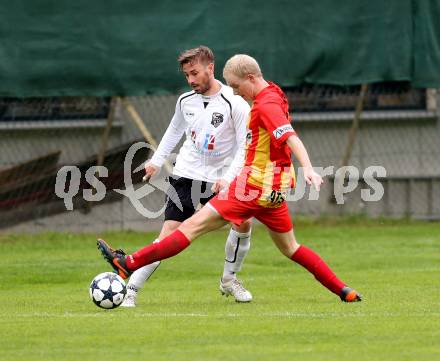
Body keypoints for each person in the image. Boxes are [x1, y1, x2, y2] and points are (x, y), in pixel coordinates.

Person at [98, 54, 362, 303]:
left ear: (250, 77)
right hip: (276, 189)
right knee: (291, 247)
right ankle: (343, 290)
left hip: (251, 187)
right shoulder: (275, 93)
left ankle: (127, 264)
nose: (235, 91)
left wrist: (310, 169)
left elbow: (290, 137)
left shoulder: (265, 106)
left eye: (236, 85)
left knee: (189, 228)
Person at [120, 46, 253, 307]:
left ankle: (229, 280)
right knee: (169, 234)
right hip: (186, 175)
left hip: (221, 178)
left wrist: (228, 177)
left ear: (210, 68)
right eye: (186, 75)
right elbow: (173, 131)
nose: (191, 80)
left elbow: (244, 147)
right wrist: (156, 161)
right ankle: (131, 288)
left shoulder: (234, 103)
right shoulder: (185, 101)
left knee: (244, 223)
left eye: (195, 73)